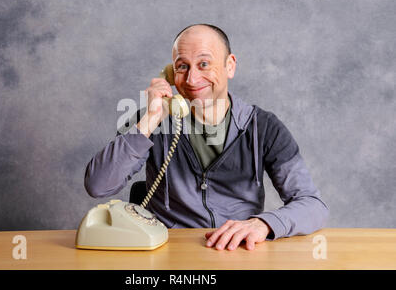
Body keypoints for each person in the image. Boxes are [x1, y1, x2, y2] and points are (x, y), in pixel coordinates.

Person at [84, 24, 329, 251]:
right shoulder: (150, 121)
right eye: (182, 66)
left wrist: (263, 224)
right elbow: (98, 185)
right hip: (167, 253)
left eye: (203, 64)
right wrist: (150, 119)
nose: (191, 80)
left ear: (230, 66)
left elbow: (312, 204)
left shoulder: (264, 127)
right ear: (170, 73)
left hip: (236, 252)